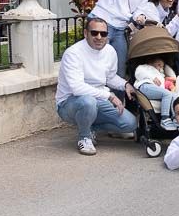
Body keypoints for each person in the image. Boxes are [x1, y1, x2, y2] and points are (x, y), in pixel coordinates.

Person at [55, 16, 138, 155]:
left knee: (130, 124)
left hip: (98, 99)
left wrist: (126, 85)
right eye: (94, 33)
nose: (99, 37)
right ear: (85, 33)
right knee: (88, 101)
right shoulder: (73, 53)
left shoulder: (110, 51)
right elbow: (77, 88)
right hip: (69, 103)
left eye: (103, 34)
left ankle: (90, 127)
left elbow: (110, 77)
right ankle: (84, 137)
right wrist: (109, 96)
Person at [133, 55, 179, 130]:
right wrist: (153, 78)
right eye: (158, 65)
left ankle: (175, 117)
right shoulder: (143, 67)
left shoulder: (160, 74)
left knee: (174, 95)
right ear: (150, 62)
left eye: (162, 66)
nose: (160, 67)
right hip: (145, 86)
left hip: (156, 90)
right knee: (167, 94)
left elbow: (163, 86)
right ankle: (165, 119)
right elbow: (138, 74)